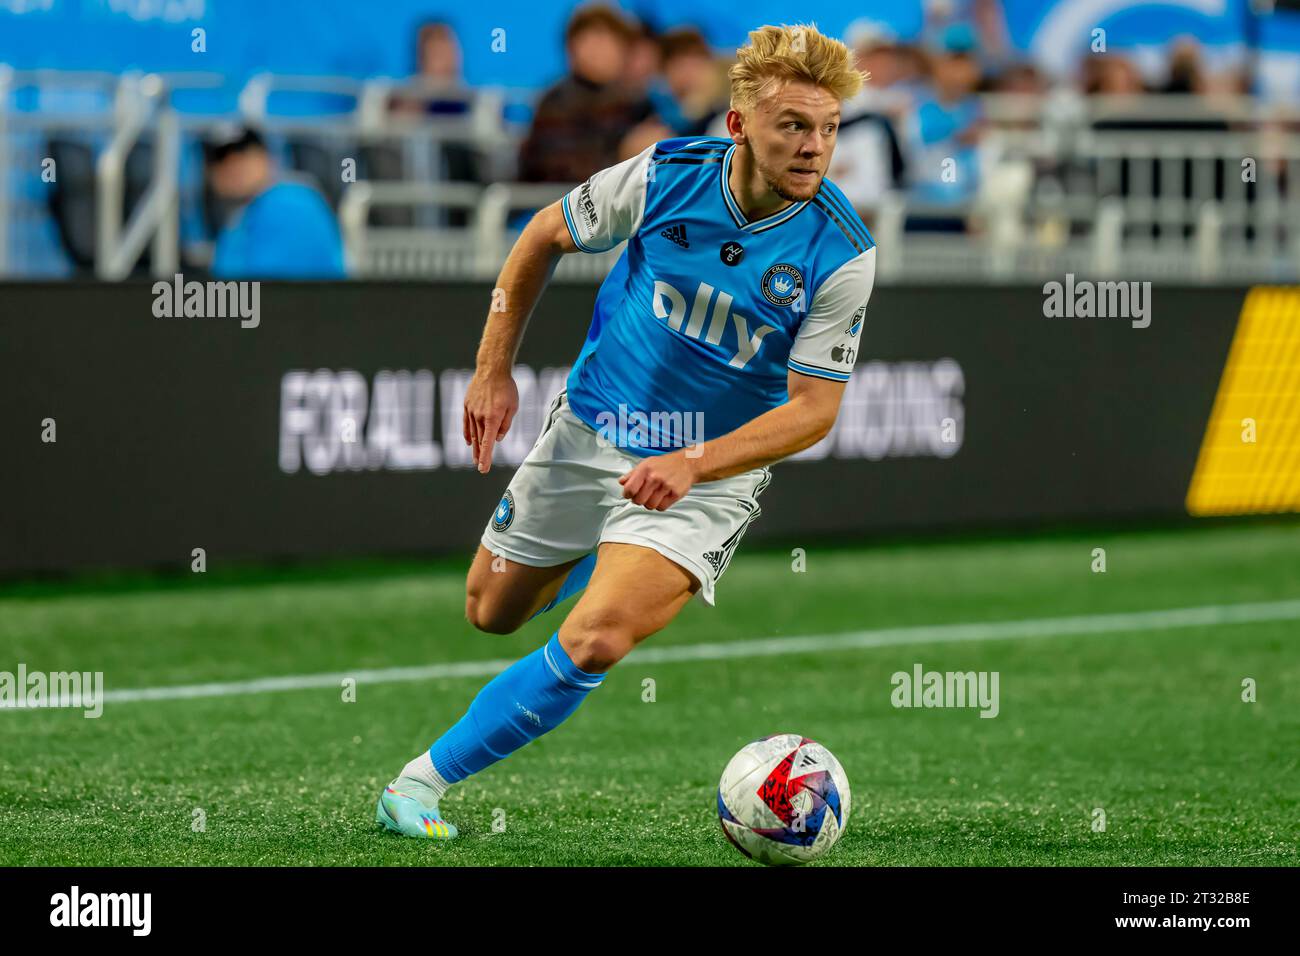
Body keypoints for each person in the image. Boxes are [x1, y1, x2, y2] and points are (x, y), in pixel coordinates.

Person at [375, 23, 877, 841]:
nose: (814, 146)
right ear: (739, 124)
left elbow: (814, 410)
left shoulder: (842, 251)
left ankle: (418, 786)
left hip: (704, 477)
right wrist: (493, 369)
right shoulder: (664, 175)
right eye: (793, 125)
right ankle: (603, 553)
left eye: (828, 128)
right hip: (591, 429)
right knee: (490, 610)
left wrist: (694, 462)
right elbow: (542, 235)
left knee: (596, 638)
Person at [517, 4, 654, 183]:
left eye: (611, 41)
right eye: (592, 40)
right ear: (571, 48)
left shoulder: (632, 102)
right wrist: (627, 158)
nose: (600, 51)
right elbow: (564, 174)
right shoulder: (557, 102)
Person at [204, 125, 346, 279]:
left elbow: (272, 285)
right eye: (222, 160)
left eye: (242, 153)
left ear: (269, 158)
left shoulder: (289, 202)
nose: (234, 165)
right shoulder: (243, 216)